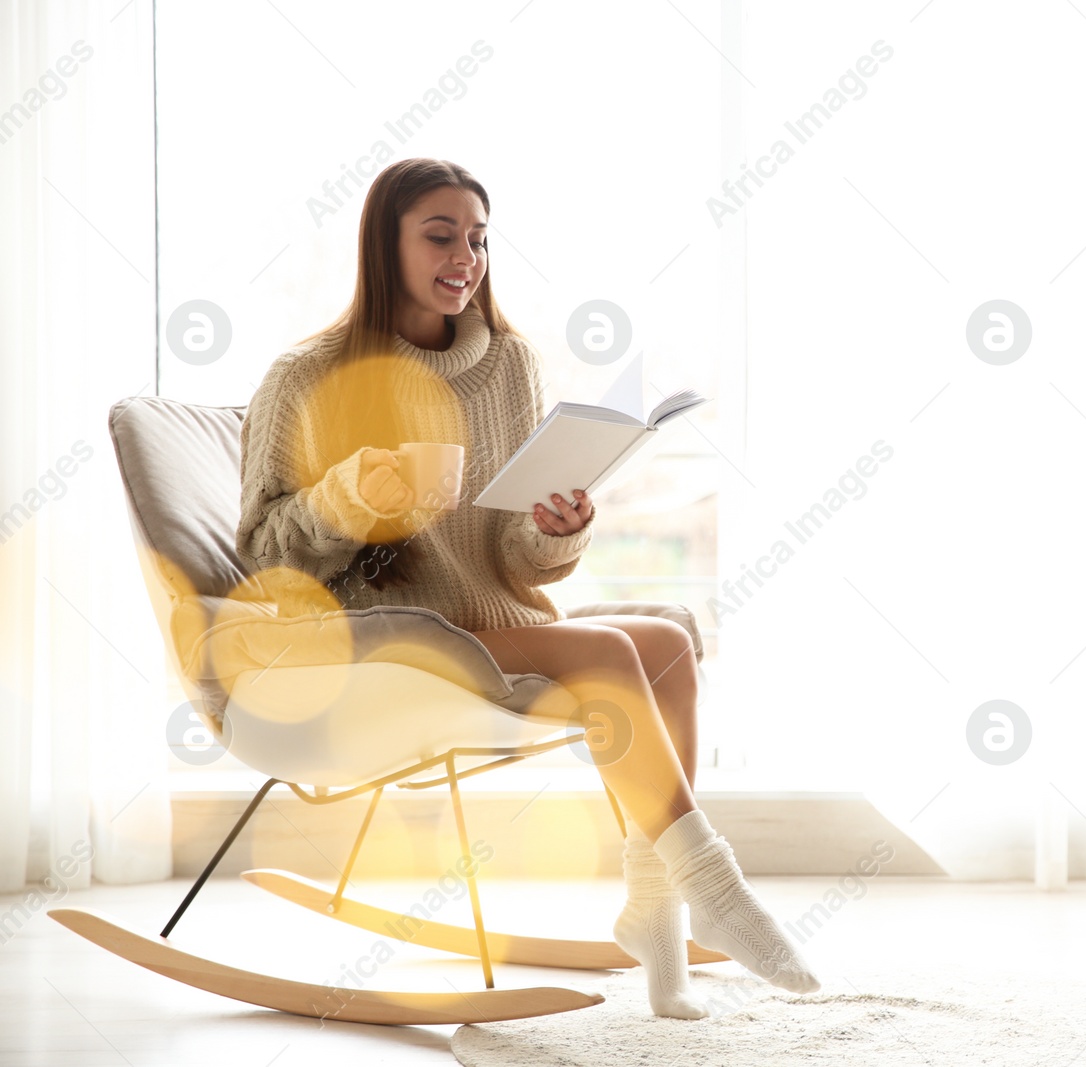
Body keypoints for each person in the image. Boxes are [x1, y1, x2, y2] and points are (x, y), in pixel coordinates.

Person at [234, 157, 819, 1018]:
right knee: (612, 648)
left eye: (477, 238)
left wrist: (551, 528)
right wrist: (350, 496)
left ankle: (653, 915)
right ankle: (716, 889)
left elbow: (508, 558)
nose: (464, 256)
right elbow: (263, 559)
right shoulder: (308, 377)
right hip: (383, 642)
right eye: (439, 235)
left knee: (668, 639)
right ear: (382, 243)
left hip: (486, 623)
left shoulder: (508, 364)